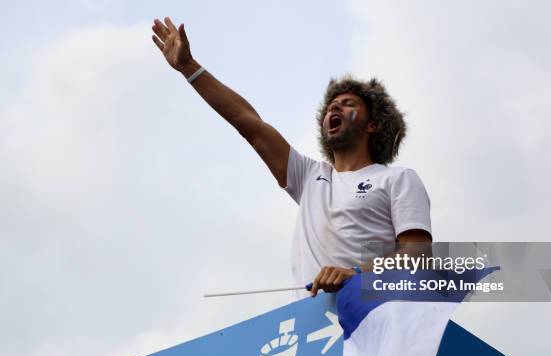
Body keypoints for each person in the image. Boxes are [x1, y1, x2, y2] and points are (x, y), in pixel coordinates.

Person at [151, 17, 432, 299]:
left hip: (375, 320)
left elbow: (419, 256)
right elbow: (249, 123)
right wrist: (189, 68)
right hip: (315, 330)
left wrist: (356, 274)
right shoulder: (310, 176)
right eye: (331, 105)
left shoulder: (397, 179)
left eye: (348, 104)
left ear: (372, 125)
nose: (335, 106)